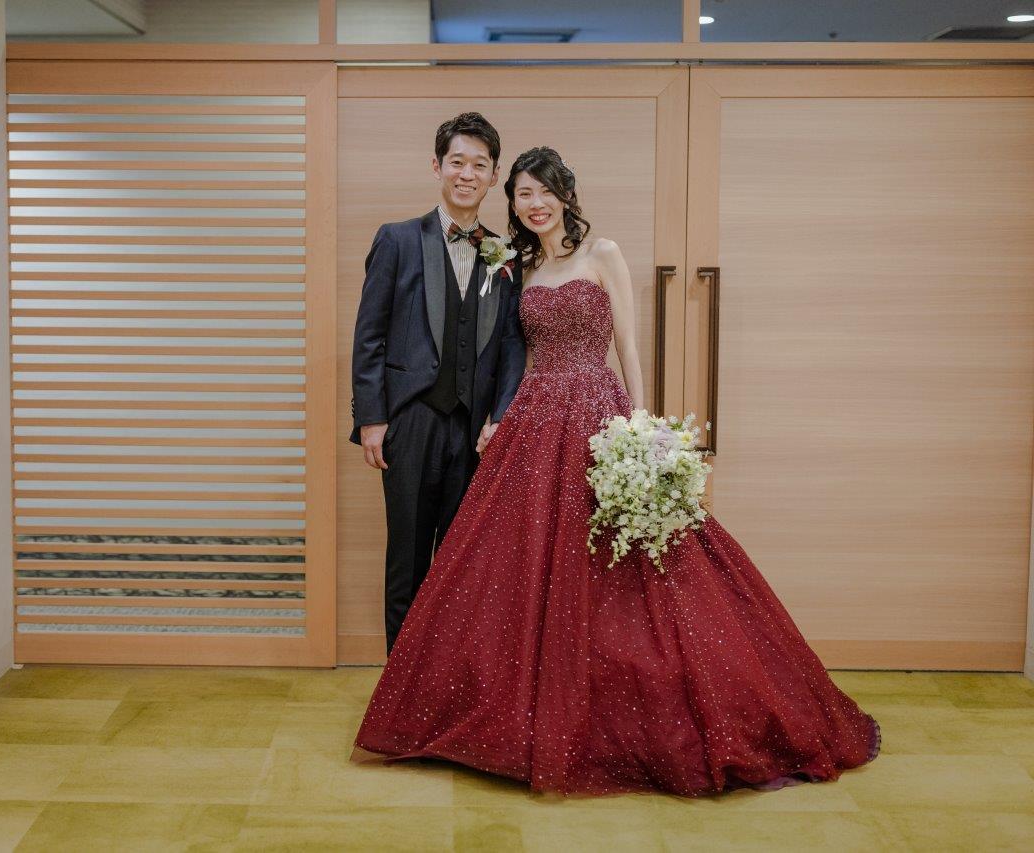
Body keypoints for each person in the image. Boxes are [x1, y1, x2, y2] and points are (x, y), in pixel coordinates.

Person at [352, 146, 880, 797]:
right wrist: (490, 414)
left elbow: (627, 344)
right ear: (511, 202)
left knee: (625, 561)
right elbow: (499, 345)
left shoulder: (603, 253)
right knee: (518, 563)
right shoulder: (517, 266)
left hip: (596, 411)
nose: (535, 203)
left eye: (545, 191)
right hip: (534, 417)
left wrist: (641, 429)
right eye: (523, 194)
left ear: (566, 194)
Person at [350, 112, 526, 653]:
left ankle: (445, 684)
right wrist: (372, 419)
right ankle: (399, 690)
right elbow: (370, 335)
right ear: (437, 166)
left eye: (479, 165)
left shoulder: (505, 254)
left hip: (473, 431)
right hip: (410, 422)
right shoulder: (398, 239)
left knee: (460, 566)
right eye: (457, 162)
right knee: (406, 558)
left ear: (493, 176)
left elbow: (513, 346)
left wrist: (500, 417)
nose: (466, 174)